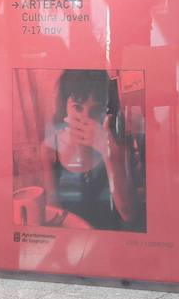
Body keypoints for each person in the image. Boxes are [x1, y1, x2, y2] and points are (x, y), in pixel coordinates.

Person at [38, 70, 139, 231]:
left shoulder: (117, 145)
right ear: (65, 107)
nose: (86, 118)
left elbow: (129, 216)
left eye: (95, 110)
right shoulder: (50, 149)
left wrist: (108, 153)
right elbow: (54, 213)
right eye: (77, 107)